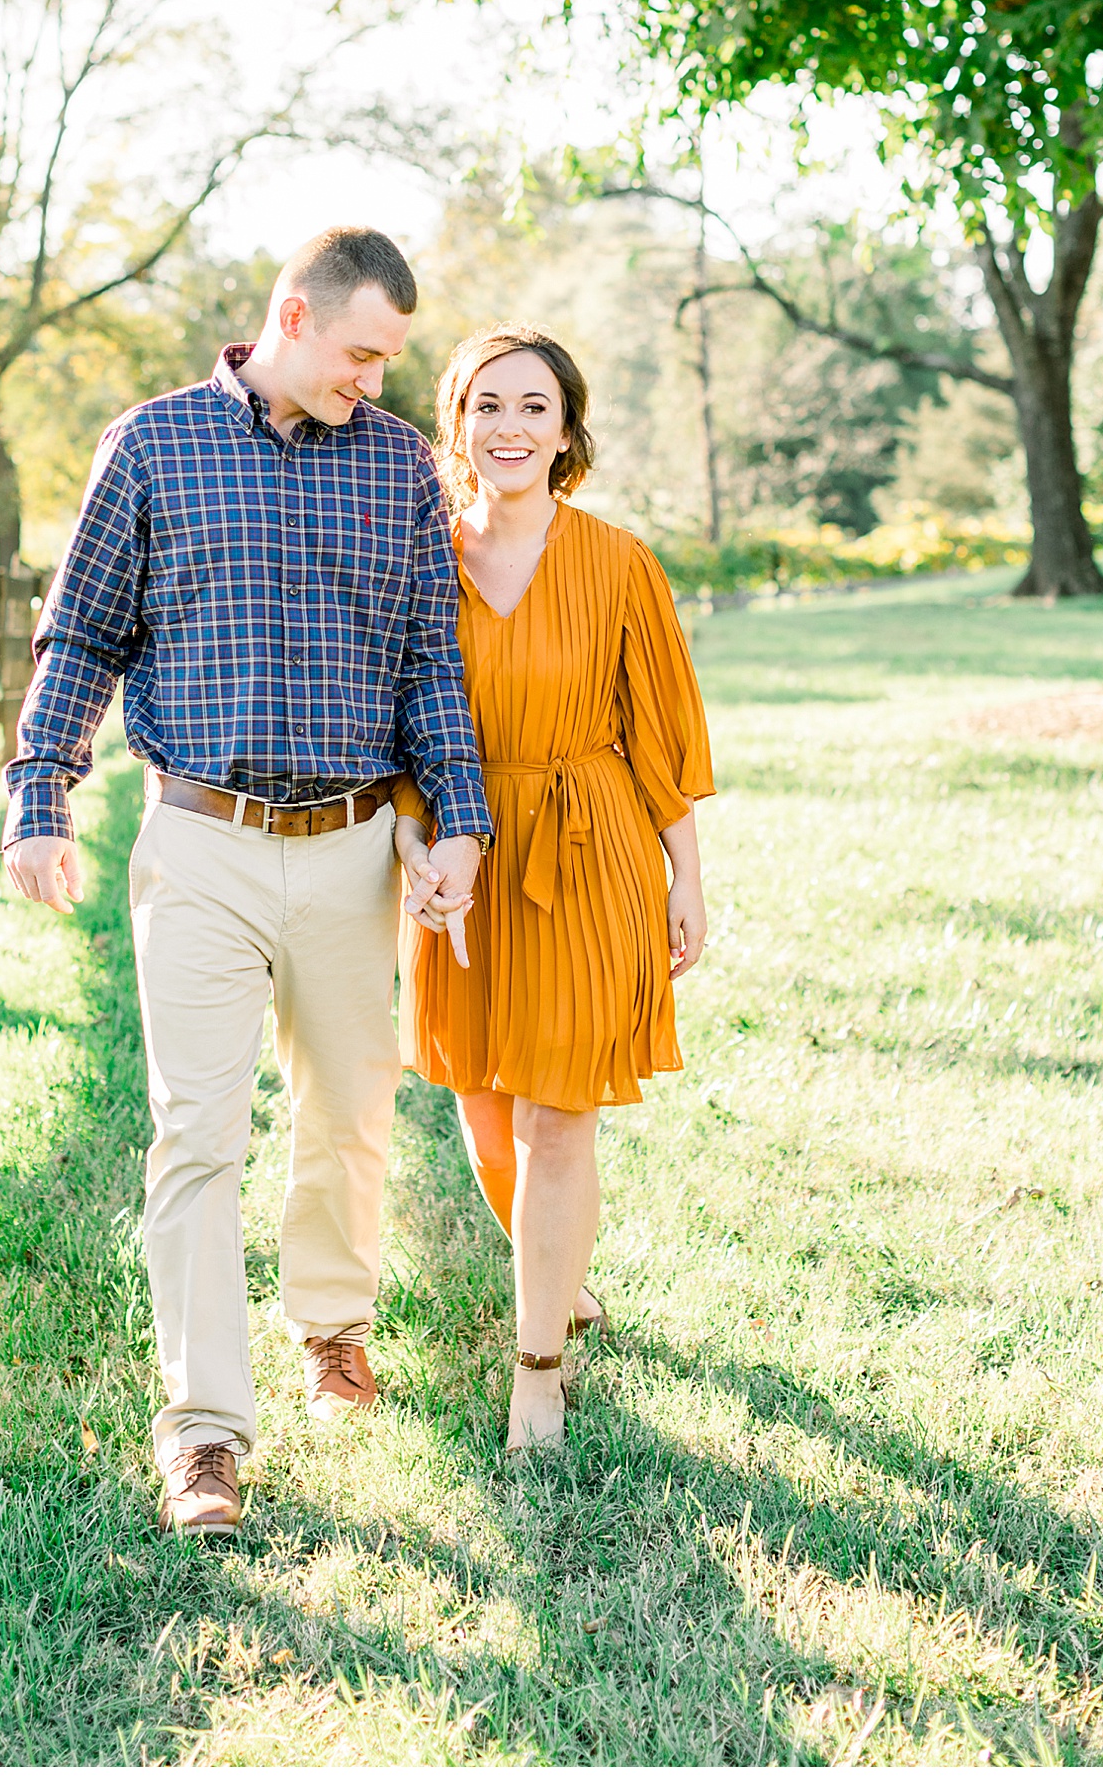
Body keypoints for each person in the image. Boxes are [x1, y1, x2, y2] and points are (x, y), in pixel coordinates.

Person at [2, 228, 486, 1536]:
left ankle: (332, 1328)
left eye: (390, 358)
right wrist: (41, 792)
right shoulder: (153, 445)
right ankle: (206, 1428)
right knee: (196, 1133)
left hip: (349, 845)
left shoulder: (397, 466)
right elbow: (83, 631)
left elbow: (430, 662)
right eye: (361, 352)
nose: (377, 381)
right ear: (291, 315)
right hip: (201, 840)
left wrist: (460, 823)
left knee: (350, 1111)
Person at [395, 325, 713, 1452]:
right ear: (457, 424)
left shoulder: (619, 562)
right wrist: (411, 844)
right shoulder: (418, 553)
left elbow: (659, 730)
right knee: (481, 1109)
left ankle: (539, 1366)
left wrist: (686, 873)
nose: (510, 426)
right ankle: (560, 1278)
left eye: (534, 405)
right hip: (459, 857)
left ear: (568, 429)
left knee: (555, 1118)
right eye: (487, 404)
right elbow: (388, 721)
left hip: (591, 850)